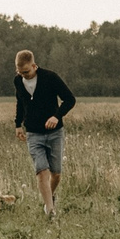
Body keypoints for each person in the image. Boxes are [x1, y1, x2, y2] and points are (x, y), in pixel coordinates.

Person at [13, 50, 76, 219]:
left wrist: (57, 116)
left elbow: (70, 99)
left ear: (34, 66)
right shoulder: (18, 81)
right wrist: (18, 124)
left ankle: (49, 197)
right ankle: (50, 211)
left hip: (55, 133)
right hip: (33, 133)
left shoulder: (50, 77)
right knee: (42, 171)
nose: (23, 75)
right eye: (20, 72)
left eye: (26, 72)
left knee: (56, 174)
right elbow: (21, 102)